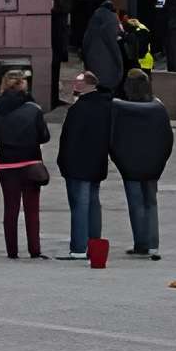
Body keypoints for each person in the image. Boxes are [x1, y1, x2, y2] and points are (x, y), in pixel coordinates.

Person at [111, 68, 175, 258]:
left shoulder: (120, 109)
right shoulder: (158, 108)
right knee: (151, 203)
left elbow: (113, 138)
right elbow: (167, 139)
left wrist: (119, 159)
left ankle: (141, 243)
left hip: (129, 165)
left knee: (136, 204)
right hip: (153, 165)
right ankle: (153, 245)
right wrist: (160, 161)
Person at [0, 71, 50, 260]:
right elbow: (44, 136)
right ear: (24, 86)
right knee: (32, 210)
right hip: (30, 162)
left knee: (11, 209)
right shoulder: (34, 108)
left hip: (7, 164)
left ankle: (12, 251)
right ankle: (34, 250)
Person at [57, 70, 114, 257]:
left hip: (77, 164)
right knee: (93, 204)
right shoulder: (107, 106)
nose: (74, 84)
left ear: (87, 85)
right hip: (97, 161)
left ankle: (79, 248)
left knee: (79, 207)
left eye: (78, 81)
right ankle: (94, 244)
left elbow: (69, 139)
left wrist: (63, 163)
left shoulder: (78, 109)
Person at [77, 0, 125, 102]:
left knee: (99, 86)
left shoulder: (94, 19)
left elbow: (86, 41)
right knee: (108, 88)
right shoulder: (112, 19)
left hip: (93, 59)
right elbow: (113, 41)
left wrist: (86, 59)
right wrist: (119, 62)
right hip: (108, 60)